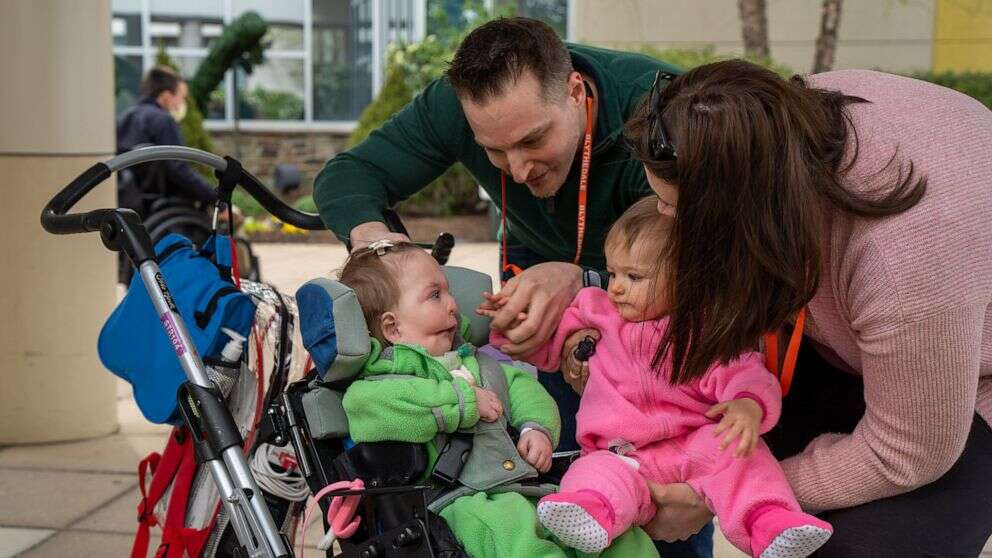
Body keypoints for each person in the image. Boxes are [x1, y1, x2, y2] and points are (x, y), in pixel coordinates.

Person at [313, 18, 714, 555]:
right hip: (541, 298)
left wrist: (585, 282)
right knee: (556, 480)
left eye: (533, 140)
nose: (519, 170)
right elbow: (347, 177)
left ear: (575, 91)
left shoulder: (661, 113)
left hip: (660, 328)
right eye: (495, 152)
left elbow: (714, 267)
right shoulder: (456, 107)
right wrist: (385, 255)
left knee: (657, 511)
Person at [619, 59, 992, 556]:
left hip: (964, 393)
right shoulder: (778, 120)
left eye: (675, 209)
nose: (664, 221)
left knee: (851, 546)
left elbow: (908, 453)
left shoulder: (902, 260)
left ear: (743, 210)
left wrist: (723, 491)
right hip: (852, 340)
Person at [488, 197, 832, 557]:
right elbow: (548, 348)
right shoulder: (597, 311)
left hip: (694, 446)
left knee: (742, 456)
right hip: (621, 451)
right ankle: (592, 512)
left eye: (634, 277)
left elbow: (744, 372)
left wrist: (747, 406)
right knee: (593, 472)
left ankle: (768, 522)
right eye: (613, 272)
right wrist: (509, 327)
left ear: (687, 279)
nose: (616, 287)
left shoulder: (704, 331)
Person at [335, 241, 659, 557]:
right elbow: (370, 408)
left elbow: (524, 390)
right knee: (517, 535)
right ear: (393, 328)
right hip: (463, 504)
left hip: (524, 486)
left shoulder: (478, 363)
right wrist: (460, 402)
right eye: (435, 295)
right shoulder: (382, 382)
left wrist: (536, 428)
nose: (452, 304)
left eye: (447, 291)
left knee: (615, 532)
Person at [116, 65, 217, 215]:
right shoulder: (163, 120)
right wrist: (214, 198)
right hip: (161, 205)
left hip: (130, 202)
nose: (181, 104)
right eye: (181, 98)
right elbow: (178, 168)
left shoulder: (123, 118)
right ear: (167, 96)